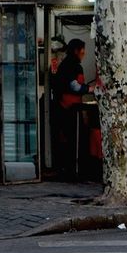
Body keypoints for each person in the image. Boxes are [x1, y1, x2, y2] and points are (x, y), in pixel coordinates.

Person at [51, 38, 88, 179]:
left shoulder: (64, 65)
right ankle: (72, 169)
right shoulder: (74, 66)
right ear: (76, 51)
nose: (83, 54)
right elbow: (75, 86)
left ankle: (67, 168)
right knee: (72, 139)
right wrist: (90, 88)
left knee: (66, 139)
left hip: (62, 107)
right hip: (69, 107)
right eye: (82, 51)